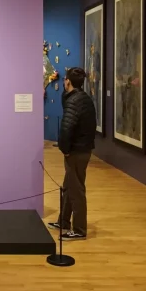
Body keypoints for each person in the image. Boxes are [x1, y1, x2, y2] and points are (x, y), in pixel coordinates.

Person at [49, 67, 96, 240]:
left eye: (65, 80)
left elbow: (67, 127)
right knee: (69, 186)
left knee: (76, 190)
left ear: (68, 81)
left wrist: (65, 149)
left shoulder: (75, 101)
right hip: (81, 149)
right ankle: (64, 221)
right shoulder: (81, 98)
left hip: (77, 151)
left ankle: (79, 229)